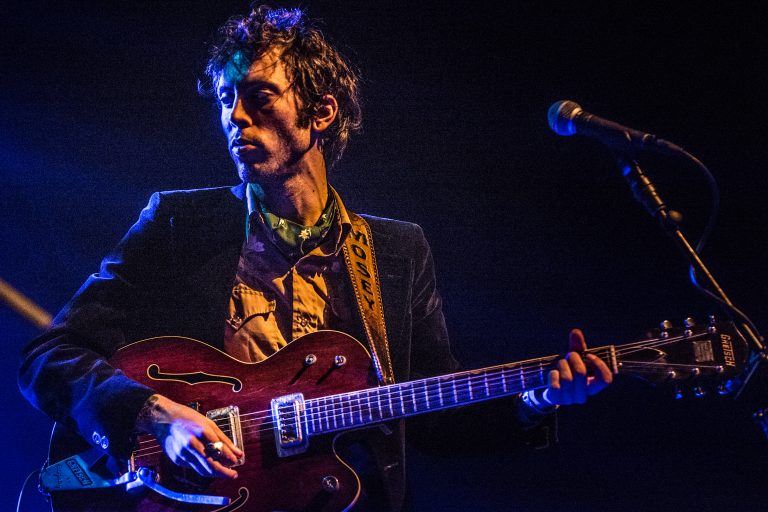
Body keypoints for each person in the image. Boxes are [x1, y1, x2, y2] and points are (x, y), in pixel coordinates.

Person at [18, 5, 612, 511]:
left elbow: (431, 416)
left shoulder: (397, 251)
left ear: (321, 113)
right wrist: (152, 413)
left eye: (259, 96)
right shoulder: (178, 224)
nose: (235, 116)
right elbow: (48, 357)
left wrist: (538, 398)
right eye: (226, 99)